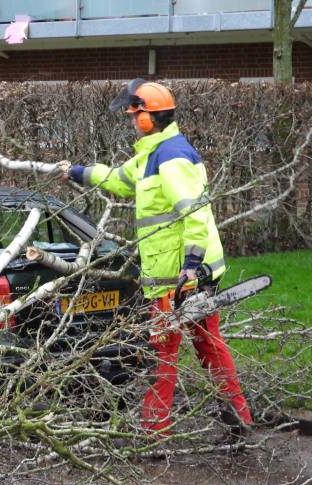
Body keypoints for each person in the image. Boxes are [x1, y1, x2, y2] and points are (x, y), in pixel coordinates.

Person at [57, 78, 253, 436]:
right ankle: (239, 416)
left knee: (162, 352)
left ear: (148, 118)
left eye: (134, 116)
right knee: (206, 344)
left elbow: (193, 213)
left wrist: (190, 268)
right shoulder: (153, 153)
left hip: (180, 274)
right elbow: (119, 179)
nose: (131, 122)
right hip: (182, 270)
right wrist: (78, 172)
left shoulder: (171, 158)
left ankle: (154, 432)